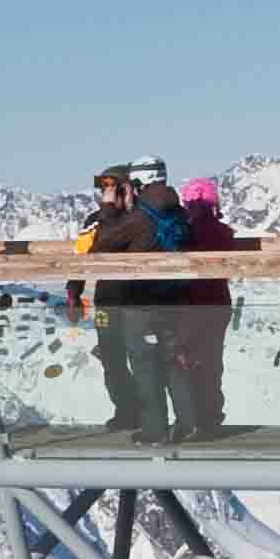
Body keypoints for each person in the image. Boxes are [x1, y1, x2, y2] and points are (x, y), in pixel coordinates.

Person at [87, 161, 188, 441]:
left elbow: (101, 246)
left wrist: (108, 211)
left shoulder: (140, 218)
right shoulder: (175, 210)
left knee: (145, 367)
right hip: (173, 299)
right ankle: (188, 423)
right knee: (172, 363)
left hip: (140, 303)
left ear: (135, 185)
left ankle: (155, 431)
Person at [171, 175, 239, 436]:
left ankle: (192, 418)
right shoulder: (224, 233)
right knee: (211, 363)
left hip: (188, 305)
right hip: (217, 303)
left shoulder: (184, 232)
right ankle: (210, 417)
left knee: (185, 362)